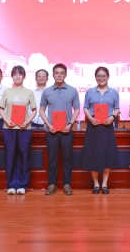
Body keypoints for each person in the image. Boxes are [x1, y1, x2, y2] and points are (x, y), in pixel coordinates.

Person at [39, 63, 80, 196]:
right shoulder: (47, 91)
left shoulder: (72, 90)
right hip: (52, 130)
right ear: (53, 75)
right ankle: (52, 184)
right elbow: (41, 110)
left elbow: (77, 109)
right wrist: (48, 124)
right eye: (56, 73)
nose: (59, 75)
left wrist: (70, 124)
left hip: (67, 130)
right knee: (52, 159)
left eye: (62, 73)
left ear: (65, 75)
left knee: (67, 158)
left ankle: (67, 184)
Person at [0, 65, 37, 195]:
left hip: (24, 129)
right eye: (15, 74)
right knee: (10, 155)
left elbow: (34, 110)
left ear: (24, 76)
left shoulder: (29, 92)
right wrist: (6, 120)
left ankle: (23, 184)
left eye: (20, 74)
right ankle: (11, 184)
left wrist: (27, 122)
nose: (17, 76)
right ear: (12, 76)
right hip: (9, 128)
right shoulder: (7, 91)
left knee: (24, 155)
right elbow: (1, 109)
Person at [82, 67, 120, 194]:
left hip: (107, 126)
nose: (101, 78)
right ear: (95, 77)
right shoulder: (90, 92)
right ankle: (96, 184)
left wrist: (112, 117)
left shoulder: (114, 92)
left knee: (107, 154)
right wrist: (90, 119)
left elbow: (117, 108)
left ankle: (104, 184)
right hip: (93, 126)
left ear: (108, 77)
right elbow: (85, 108)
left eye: (103, 76)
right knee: (93, 155)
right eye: (98, 76)